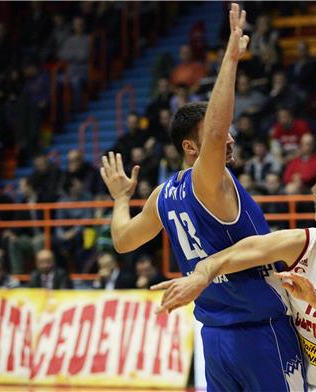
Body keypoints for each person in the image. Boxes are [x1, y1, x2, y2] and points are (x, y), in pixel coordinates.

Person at [99, 4, 305, 391]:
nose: (229, 138)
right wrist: (230, 57)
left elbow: (123, 241)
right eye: (217, 135)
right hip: (259, 333)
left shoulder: (163, 195)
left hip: (215, 337)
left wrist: (122, 199)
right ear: (191, 147)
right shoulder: (206, 181)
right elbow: (215, 130)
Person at [152, 176, 316, 391]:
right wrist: (200, 277)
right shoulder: (301, 244)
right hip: (298, 370)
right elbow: (233, 254)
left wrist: (315, 301)